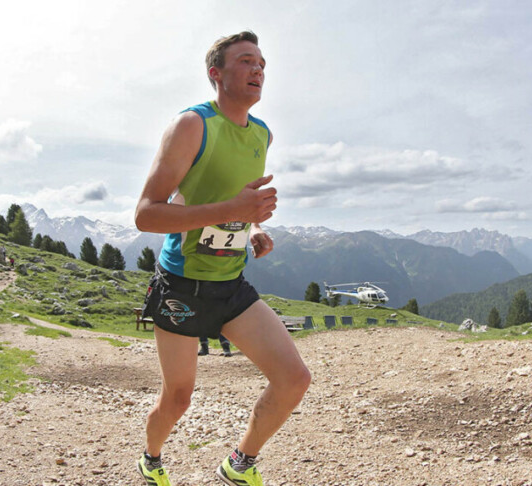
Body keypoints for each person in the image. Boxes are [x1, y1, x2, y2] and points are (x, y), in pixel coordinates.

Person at [134, 31, 311, 486]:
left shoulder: (262, 134)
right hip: (182, 283)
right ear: (216, 73)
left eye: (262, 64)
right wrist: (233, 210)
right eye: (246, 61)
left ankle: (239, 463)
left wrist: (254, 229)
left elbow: (236, 203)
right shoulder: (192, 125)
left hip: (230, 285)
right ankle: (151, 459)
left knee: (294, 379)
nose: (258, 70)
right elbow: (147, 214)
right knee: (177, 399)